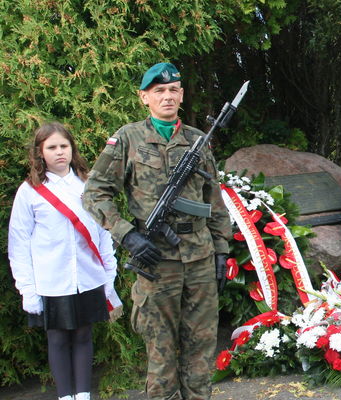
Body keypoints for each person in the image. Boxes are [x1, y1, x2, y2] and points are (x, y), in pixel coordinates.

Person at [82, 63, 231, 400]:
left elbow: (214, 200)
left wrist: (221, 251)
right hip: (155, 259)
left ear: (181, 94)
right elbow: (94, 193)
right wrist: (126, 234)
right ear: (144, 97)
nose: (167, 96)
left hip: (199, 257)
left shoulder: (197, 140)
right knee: (161, 351)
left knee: (201, 346)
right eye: (159, 91)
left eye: (174, 89)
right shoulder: (127, 139)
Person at [8, 122, 122, 400]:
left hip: (88, 276)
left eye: (64, 146)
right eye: (52, 147)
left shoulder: (88, 185)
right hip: (51, 280)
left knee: (84, 336)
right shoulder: (30, 191)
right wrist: (28, 289)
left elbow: (103, 232)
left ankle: (83, 396)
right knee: (58, 339)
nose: (59, 152)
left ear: (72, 149)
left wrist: (109, 275)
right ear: (40, 152)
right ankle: (65, 396)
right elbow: (19, 243)